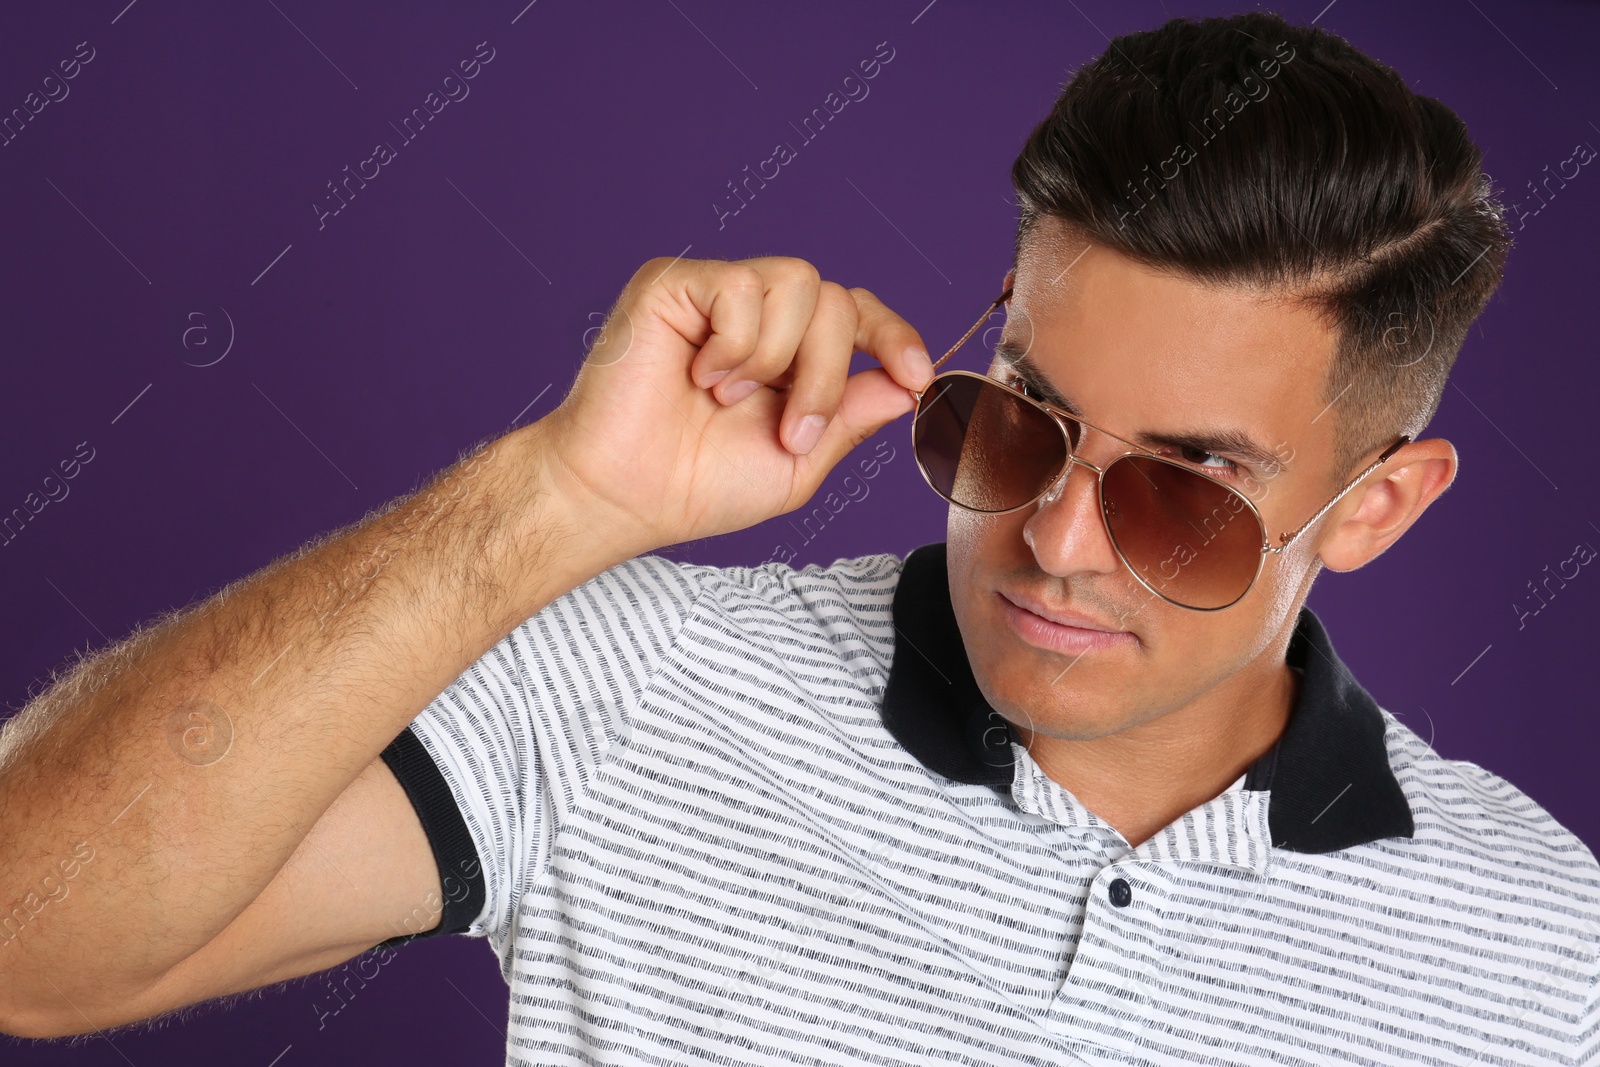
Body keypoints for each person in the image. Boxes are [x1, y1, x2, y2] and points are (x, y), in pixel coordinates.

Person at [2, 10, 1595, 1065]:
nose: (1054, 540)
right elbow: (28, 945)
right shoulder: (637, 685)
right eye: (1018, 417)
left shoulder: (1541, 957)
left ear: (1373, 504)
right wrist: (555, 499)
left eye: (1184, 494)